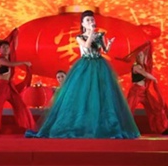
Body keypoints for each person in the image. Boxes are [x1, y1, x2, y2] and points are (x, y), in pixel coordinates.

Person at [26, 10, 141, 139]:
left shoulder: (99, 35)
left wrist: (108, 44)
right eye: (88, 20)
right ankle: (79, 124)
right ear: (83, 23)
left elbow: (104, 50)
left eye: (92, 20)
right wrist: (91, 32)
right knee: (82, 94)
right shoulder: (79, 37)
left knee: (102, 94)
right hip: (85, 66)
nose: (91, 22)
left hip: (99, 65)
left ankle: (104, 125)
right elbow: (86, 45)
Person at [0, 30, 36, 135]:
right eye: (3, 47)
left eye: (7, 47)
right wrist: (24, 62)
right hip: (2, 86)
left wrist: (15, 35)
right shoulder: (1, 60)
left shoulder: (10, 56)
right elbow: (10, 64)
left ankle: (28, 127)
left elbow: (14, 46)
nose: (6, 49)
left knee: (21, 106)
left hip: (10, 86)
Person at [121, 42, 168, 135]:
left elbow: (148, 51)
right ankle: (123, 130)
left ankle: (162, 128)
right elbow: (144, 74)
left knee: (155, 108)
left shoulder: (145, 66)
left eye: (142, 55)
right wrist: (154, 78)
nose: (140, 56)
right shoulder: (136, 67)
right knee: (128, 110)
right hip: (136, 91)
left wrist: (148, 44)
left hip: (144, 92)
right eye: (138, 55)